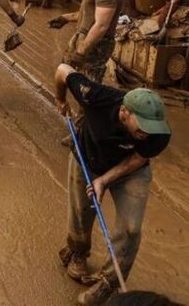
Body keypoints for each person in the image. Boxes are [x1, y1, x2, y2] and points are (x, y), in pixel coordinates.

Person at [54, 63, 171, 306]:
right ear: (125, 112)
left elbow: (139, 158)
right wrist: (60, 99)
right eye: (143, 127)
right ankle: (77, 251)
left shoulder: (158, 133)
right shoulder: (95, 96)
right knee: (81, 213)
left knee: (131, 229)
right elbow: (63, 70)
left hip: (130, 169)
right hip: (87, 157)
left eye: (153, 129)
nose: (148, 134)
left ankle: (108, 284)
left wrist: (104, 181)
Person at [49, 0, 122, 83]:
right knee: (65, 75)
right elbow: (91, 14)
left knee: (87, 87)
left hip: (95, 45)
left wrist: (82, 50)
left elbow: (101, 25)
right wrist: (66, 18)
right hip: (84, 38)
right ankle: (62, 102)